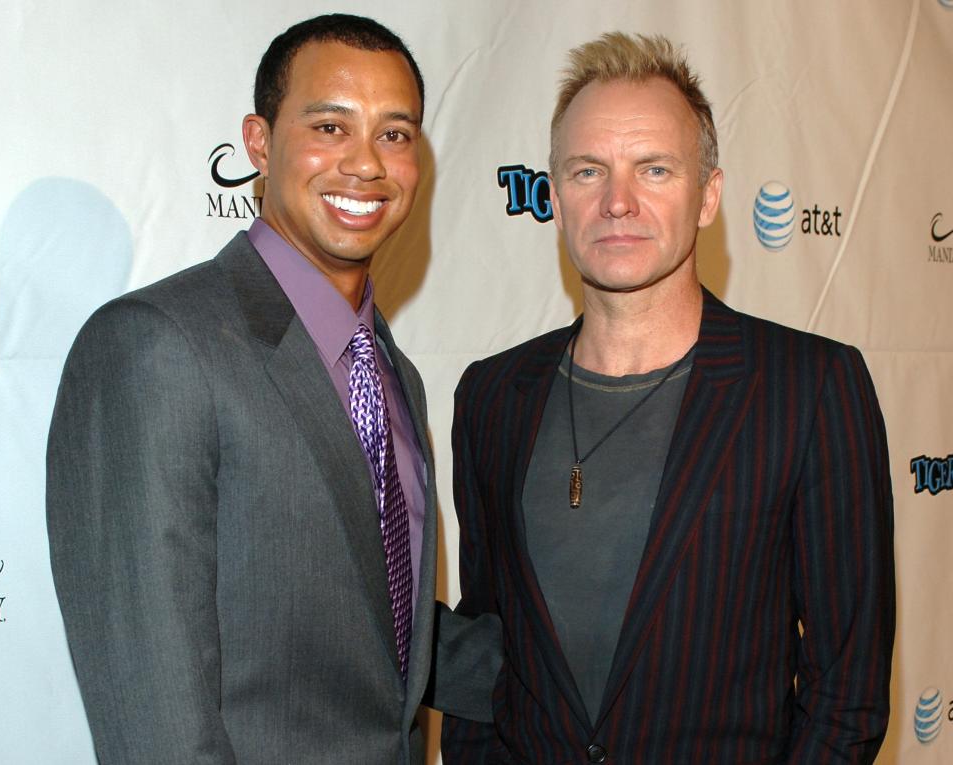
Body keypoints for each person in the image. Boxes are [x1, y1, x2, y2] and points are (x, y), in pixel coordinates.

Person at [47, 14, 497, 765]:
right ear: (259, 141)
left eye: (395, 134)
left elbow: (378, 632)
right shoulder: (154, 345)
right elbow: (156, 725)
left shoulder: (393, 371)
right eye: (330, 126)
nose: (366, 164)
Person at [441, 32, 894, 764]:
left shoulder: (810, 388)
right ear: (554, 197)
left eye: (654, 168)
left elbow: (848, 692)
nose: (618, 201)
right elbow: (486, 643)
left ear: (708, 195)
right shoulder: (492, 394)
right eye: (589, 171)